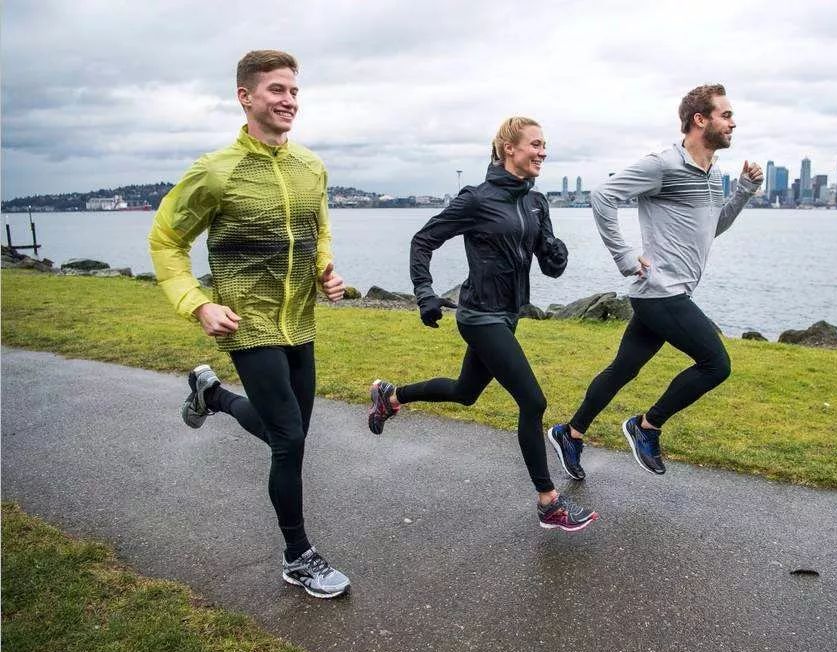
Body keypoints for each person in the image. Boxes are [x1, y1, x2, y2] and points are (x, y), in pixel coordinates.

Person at [148, 50, 351, 598]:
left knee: (292, 433)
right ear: (246, 97)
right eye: (276, 91)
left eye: (294, 91)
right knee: (288, 440)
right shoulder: (215, 171)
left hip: (299, 324)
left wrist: (325, 275)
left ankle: (211, 396)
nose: (288, 101)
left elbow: (319, 230)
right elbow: (166, 240)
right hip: (246, 321)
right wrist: (197, 303)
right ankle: (299, 556)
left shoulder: (311, 167)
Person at [366, 117, 598, 532]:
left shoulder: (535, 201)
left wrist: (556, 251)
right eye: (536, 144)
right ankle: (548, 502)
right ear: (509, 147)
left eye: (545, 145)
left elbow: (551, 267)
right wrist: (425, 292)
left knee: (465, 392)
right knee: (533, 402)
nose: (543, 152)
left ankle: (391, 396)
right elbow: (423, 241)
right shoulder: (476, 199)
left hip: (508, 315)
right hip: (479, 316)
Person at [547, 84, 763, 479]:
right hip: (660, 291)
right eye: (726, 115)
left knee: (623, 369)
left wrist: (745, 192)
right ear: (701, 120)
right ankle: (646, 425)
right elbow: (603, 196)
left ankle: (570, 433)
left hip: (666, 291)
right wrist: (625, 256)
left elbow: (712, 228)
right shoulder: (663, 165)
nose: (733, 122)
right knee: (716, 364)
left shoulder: (714, 174)